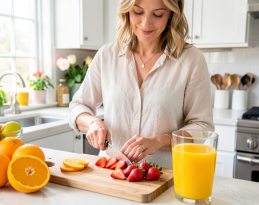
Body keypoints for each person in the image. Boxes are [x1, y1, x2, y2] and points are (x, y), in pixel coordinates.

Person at [68, 0, 214, 168]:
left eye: (158, 14)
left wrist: (158, 141)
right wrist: (93, 123)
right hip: (111, 173)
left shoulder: (191, 60)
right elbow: (78, 106)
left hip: (165, 177)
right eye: (138, 12)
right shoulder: (107, 56)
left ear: (171, 15)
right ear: (127, 11)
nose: (146, 23)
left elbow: (202, 127)